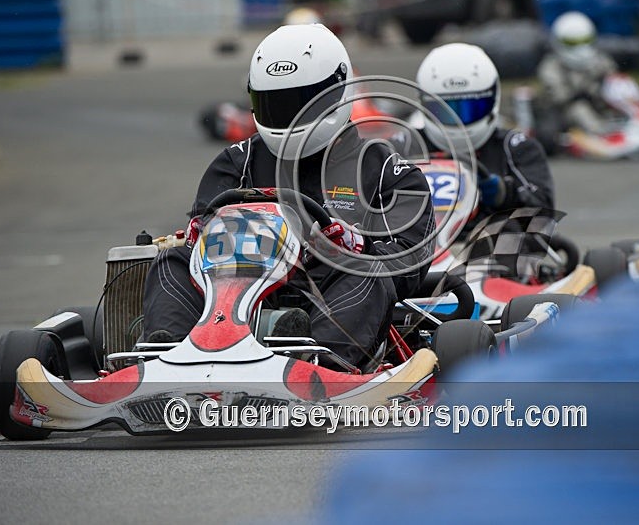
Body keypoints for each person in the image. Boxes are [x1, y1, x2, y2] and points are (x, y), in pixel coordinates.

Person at [142, 24, 434, 367]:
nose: (287, 118)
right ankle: (164, 360)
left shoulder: (385, 171)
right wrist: (198, 235)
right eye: (274, 105)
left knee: (371, 273)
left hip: (327, 300)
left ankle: (319, 365)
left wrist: (358, 247)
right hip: (230, 297)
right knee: (172, 260)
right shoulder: (236, 163)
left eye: (300, 104)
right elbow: (201, 237)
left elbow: (410, 261)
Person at [408, 42, 554, 217]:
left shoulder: (516, 148)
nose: (459, 121)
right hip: (418, 241)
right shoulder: (403, 148)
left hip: (492, 240)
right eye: (446, 111)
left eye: (470, 109)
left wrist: (504, 193)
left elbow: (543, 210)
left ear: (492, 99)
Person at [537, 11, 617, 134]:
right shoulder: (551, 67)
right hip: (567, 112)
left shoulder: (601, 61)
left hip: (599, 103)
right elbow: (561, 98)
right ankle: (602, 134)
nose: (580, 47)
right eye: (573, 43)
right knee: (579, 109)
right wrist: (588, 91)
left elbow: (614, 80)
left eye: (584, 40)